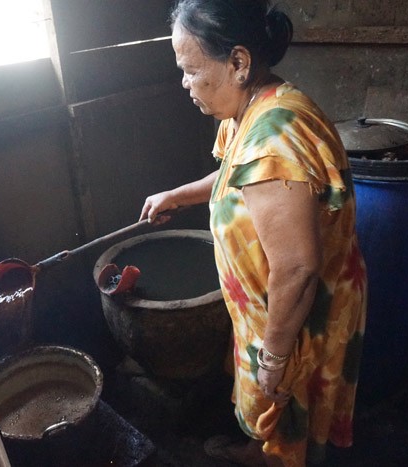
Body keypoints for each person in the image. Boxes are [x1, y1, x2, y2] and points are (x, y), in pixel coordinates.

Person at [139, 1, 367, 466]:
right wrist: (177, 196)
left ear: (238, 62)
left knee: (283, 406)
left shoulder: (274, 142)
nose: (184, 83)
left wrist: (274, 360)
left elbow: (297, 269)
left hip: (296, 317)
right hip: (270, 310)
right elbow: (232, 175)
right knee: (271, 413)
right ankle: (258, 449)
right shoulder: (248, 110)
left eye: (190, 70)